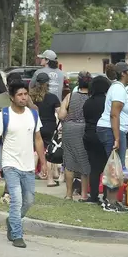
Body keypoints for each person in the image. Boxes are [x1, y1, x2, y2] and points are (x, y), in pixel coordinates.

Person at [0, 81, 46, 249]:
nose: (23, 97)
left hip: (28, 165)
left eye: (25, 94)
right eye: (20, 95)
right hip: (10, 163)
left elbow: (38, 139)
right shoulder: (4, 115)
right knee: (17, 200)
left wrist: (43, 163)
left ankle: (12, 221)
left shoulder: (33, 114)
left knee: (29, 200)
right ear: (12, 97)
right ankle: (17, 235)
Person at [0, 71, 37, 203]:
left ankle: (17, 192)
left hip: (23, 138)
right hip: (4, 138)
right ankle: (9, 191)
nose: (22, 96)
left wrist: (28, 101)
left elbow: (35, 112)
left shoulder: (25, 99)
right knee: (9, 166)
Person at [96, 62, 128, 212]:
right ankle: (110, 202)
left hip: (114, 129)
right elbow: (114, 114)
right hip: (111, 130)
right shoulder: (118, 89)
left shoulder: (119, 88)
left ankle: (110, 200)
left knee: (114, 166)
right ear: (123, 73)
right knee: (116, 167)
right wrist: (117, 138)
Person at [58, 71, 91, 201]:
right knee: (84, 161)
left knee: (69, 161)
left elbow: (61, 115)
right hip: (84, 129)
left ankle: (68, 194)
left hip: (69, 129)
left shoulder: (70, 96)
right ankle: (83, 194)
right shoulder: (91, 97)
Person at [82, 76, 111, 205]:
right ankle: (106, 195)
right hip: (105, 135)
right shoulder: (108, 102)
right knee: (107, 167)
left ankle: (93, 195)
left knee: (94, 168)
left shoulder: (88, 102)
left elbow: (86, 118)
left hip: (90, 135)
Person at [29, 72, 61, 186]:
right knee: (49, 152)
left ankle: (31, 176)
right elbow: (60, 113)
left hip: (35, 126)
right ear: (48, 83)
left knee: (35, 151)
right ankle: (50, 179)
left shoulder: (30, 97)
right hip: (50, 127)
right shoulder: (53, 97)